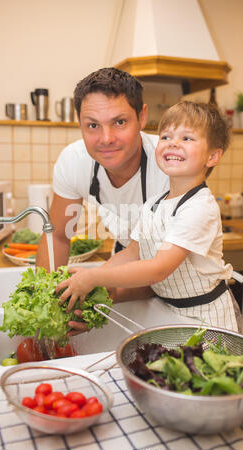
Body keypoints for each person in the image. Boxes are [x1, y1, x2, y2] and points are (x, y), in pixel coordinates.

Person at [56, 101, 239, 333]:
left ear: (213, 156)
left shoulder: (200, 207)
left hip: (206, 320)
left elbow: (158, 269)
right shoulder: (154, 203)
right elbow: (133, 252)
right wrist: (98, 288)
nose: (173, 143)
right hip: (168, 311)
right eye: (165, 136)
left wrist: (95, 278)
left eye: (187, 138)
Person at [36, 68, 169, 307]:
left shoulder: (170, 163)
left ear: (142, 117)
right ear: (80, 123)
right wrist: (47, 301)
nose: (106, 138)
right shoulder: (74, 161)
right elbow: (57, 236)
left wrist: (100, 297)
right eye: (93, 125)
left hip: (182, 288)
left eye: (119, 122)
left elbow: (166, 267)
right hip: (128, 270)